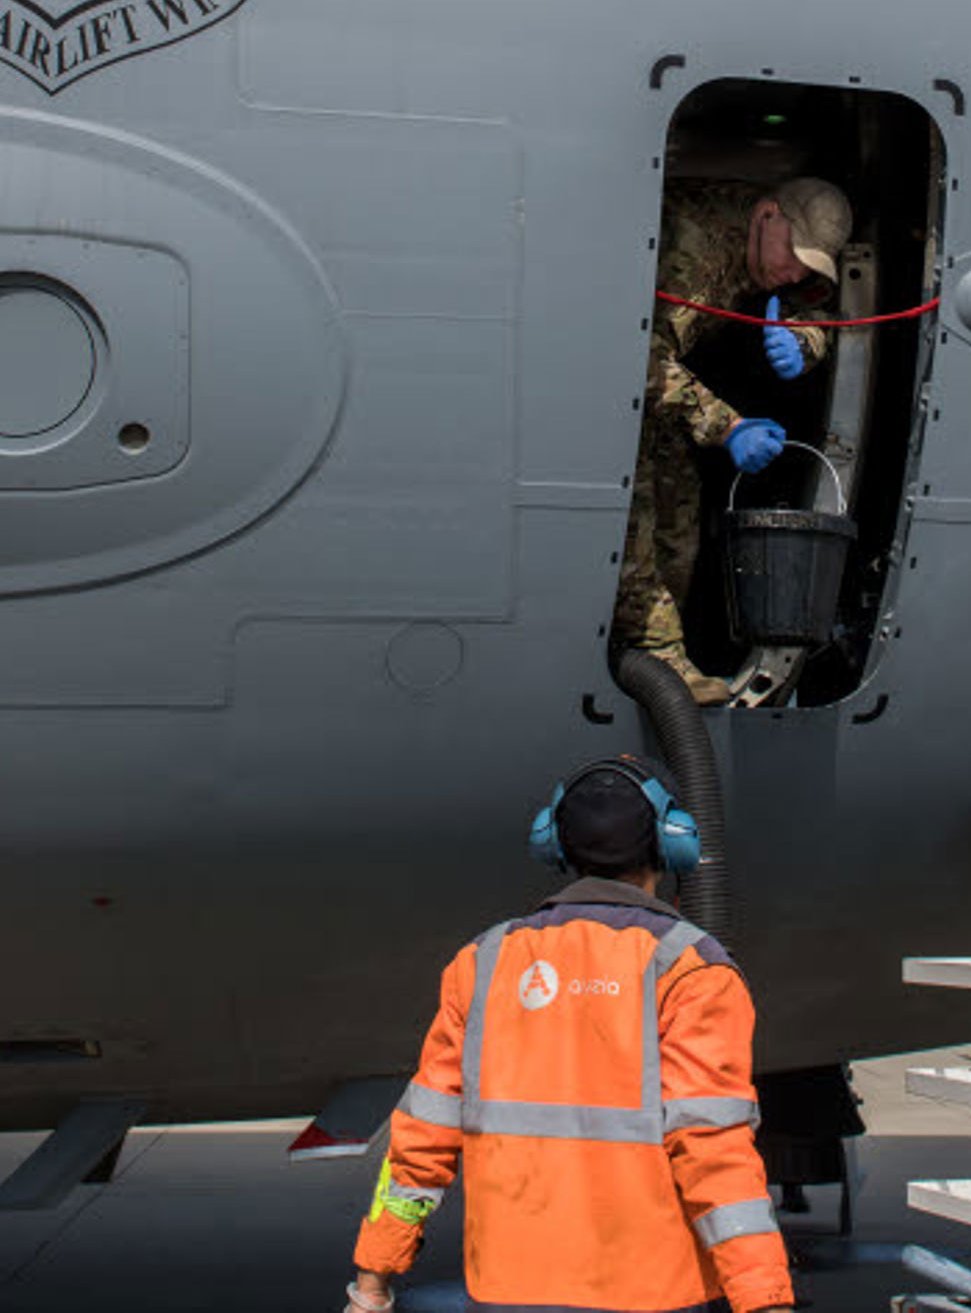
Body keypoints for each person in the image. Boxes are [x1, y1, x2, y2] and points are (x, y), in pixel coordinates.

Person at [343, 755, 793, 1313]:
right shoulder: (690, 968)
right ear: (671, 844)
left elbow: (421, 1143)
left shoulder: (484, 963)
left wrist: (373, 1276)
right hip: (652, 1296)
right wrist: (764, 1298)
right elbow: (713, 1152)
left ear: (553, 843)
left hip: (508, 1292)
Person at [619, 176, 853, 702]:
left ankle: (657, 655)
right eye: (795, 254)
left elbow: (821, 309)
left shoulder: (767, 253)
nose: (791, 272)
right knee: (636, 511)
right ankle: (654, 655)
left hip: (663, 413)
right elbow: (635, 357)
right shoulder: (693, 243)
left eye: (807, 265)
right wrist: (728, 426)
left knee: (679, 525)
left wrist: (804, 341)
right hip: (616, 401)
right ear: (768, 214)